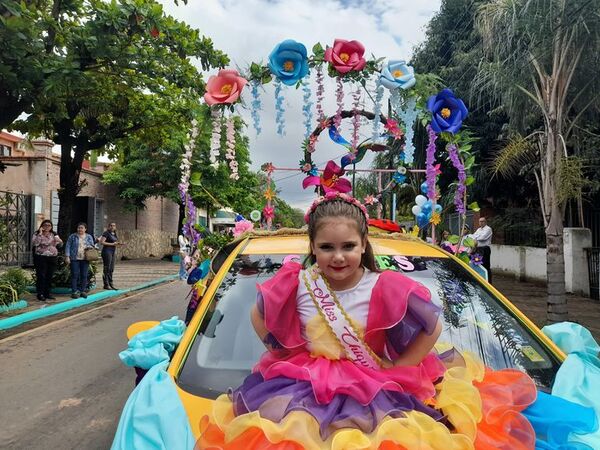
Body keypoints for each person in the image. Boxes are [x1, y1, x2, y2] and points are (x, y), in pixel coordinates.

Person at [197, 192, 557, 449]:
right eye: (326, 248)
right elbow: (258, 313)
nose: (338, 257)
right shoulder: (297, 283)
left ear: (363, 243)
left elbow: (432, 328)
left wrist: (402, 367)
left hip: (375, 390)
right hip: (304, 389)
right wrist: (279, 350)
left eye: (348, 247)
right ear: (313, 247)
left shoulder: (384, 286)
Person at [31, 220, 63, 301]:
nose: (47, 227)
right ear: (42, 226)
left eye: (49, 225)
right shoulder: (37, 234)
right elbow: (35, 244)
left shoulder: (53, 234)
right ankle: (40, 293)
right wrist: (40, 234)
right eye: (45, 225)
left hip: (52, 257)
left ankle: (47, 293)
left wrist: (59, 241)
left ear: (51, 227)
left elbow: (60, 243)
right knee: (41, 275)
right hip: (41, 257)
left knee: (49, 275)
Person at [65, 222, 96, 299]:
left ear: (85, 229)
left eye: (82, 228)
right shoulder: (72, 236)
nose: (80, 229)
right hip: (74, 258)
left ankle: (82, 290)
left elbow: (92, 245)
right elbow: (68, 246)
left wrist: (89, 247)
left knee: (84, 275)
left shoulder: (89, 237)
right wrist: (67, 256)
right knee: (75, 275)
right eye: (79, 228)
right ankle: (74, 291)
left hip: (85, 258)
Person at [99, 222, 123, 290]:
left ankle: (111, 283)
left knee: (111, 268)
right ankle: (106, 284)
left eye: (114, 226)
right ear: (108, 226)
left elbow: (114, 242)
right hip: (106, 252)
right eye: (111, 225)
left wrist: (118, 244)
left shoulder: (114, 233)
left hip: (112, 252)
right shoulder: (106, 233)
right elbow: (102, 242)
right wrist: (112, 244)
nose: (112, 227)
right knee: (107, 268)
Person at [472, 216, 493, 283]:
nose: (481, 223)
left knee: (485, 265)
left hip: (485, 249)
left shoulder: (488, 229)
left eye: (482, 221)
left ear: (485, 222)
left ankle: (488, 281)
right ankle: (481, 280)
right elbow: (473, 236)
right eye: (480, 221)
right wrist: (476, 237)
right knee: (478, 264)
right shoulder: (478, 229)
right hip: (478, 249)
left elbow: (483, 238)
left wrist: (476, 238)